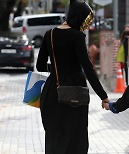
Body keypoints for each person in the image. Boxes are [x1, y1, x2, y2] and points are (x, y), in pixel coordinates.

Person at [36, 0, 109, 153]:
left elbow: (40, 66)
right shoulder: (77, 37)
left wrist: (57, 68)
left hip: (52, 92)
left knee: (54, 137)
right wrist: (103, 96)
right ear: (79, 17)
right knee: (75, 138)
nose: (85, 24)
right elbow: (88, 69)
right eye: (85, 20)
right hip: (74, 94)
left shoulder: (49, 35)